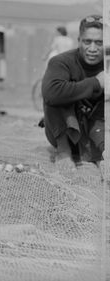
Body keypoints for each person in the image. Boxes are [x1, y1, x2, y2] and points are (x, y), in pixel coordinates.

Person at [42, 15, 104, 170]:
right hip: (64, 131)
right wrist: (96, 82)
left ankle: (102, 152)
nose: (92, 48)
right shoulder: (61, 61)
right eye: (87, 41)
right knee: (59, 92)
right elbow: (51, 93)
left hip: (96, 131)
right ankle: (63, 153)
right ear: (79, 41)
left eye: (99, 43)